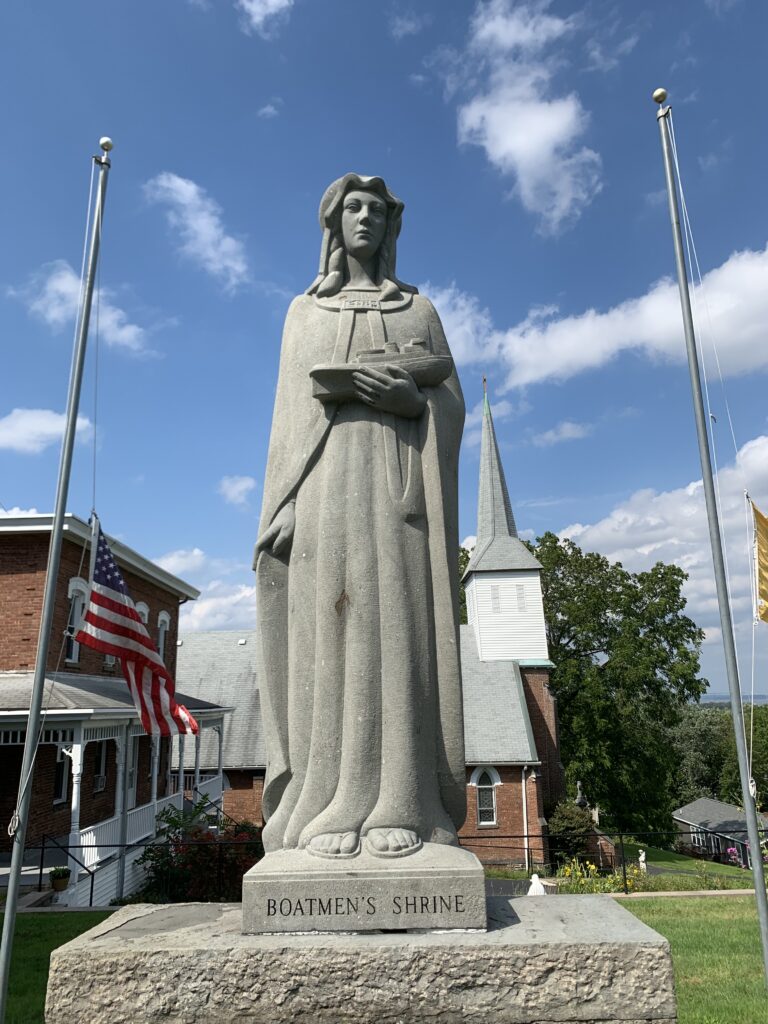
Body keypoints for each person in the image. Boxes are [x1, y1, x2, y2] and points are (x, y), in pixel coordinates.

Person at [254, 173, 466, 859]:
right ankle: (324, 800)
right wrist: (282, 504)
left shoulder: (419, 311)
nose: (366, 217)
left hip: (399, 492)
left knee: (396, 627)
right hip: (323, 493)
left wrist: (414, 404)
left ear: (391, 224)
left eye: (377, 208)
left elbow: (452, 406)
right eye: (354, 207)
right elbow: (287, 422)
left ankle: (400, 800)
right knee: (329, 635)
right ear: (334, 223)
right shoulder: (303, 313)